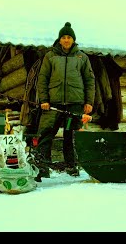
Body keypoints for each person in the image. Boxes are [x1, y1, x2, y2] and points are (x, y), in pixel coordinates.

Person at [33, 22, 95, 181]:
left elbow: (89, 80)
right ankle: (42, 168)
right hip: (53, 105)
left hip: (74, 104)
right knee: (46, 135)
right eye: (63, 37)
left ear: (73, 40)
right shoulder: (50, 56)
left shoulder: (82, 57)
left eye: (69, 37)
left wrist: (89, 102)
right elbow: (43, 79)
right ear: (59, 40)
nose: (66, 40)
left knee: (70, 135)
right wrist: (44, 100)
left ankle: (72, 166)